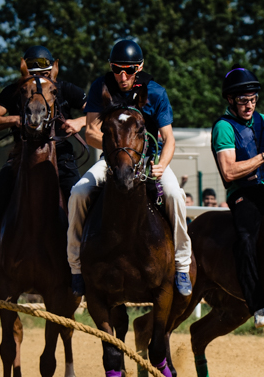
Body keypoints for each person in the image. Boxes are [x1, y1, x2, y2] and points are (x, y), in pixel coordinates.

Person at [68, 39, 194, 298]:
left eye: (129, 69)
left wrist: (161, 165)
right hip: (113, 161)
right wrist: (118, 150)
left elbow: (168, 138)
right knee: (78, 193)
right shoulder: (100, 87)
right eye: (116, 69)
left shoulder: (156, 92)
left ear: (140, 67)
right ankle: (76, 267)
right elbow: (92, 131)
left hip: (148, 160)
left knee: (174, 196)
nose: (122, 76)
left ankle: (182, 265)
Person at [0, 45, 88, 281]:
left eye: (44, 74)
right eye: (33, 74)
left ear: (53, 71)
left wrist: (79, 121)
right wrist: (14, 119)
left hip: (62, 158)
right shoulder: (14, 91)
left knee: (80, 200)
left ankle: (83, 264)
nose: (39, 79)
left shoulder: (66, 89)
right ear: (24, 71)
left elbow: (100, 111)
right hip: (21, 157)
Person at [211, 67, 264, 326]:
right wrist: (263, 158)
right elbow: (228, 172)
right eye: (243, 100)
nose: (249, 105)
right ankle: (258, 306)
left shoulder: (263, 120)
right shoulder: (223, 127)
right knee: (247, 239)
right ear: (230, 100)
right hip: (242, 193)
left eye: (252, 99)